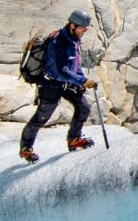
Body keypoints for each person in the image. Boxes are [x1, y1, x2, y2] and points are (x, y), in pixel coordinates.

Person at [20, 9, 98, 161]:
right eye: (82, 28)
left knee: (84, 108)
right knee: (42, 118)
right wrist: (82, 81)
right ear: (72, 26)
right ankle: (26, 148)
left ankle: (73, 139)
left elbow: (75, 65)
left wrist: (82, 78)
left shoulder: (73, 40)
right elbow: (61, 71)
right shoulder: (58, 42)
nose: (84, 31)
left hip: (67, 84)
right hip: (51, 85)